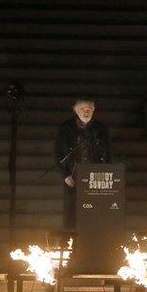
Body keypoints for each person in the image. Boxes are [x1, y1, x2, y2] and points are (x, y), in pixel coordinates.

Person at [55, 96, 112, 229]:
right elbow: (58, 153)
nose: (86, 112)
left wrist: (108, 173)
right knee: (72, 210)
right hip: (74, 176)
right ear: (75, 110)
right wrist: (65, 175)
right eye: (83, 109)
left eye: (89, 109)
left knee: (96, 210)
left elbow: (108, 153)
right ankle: (72, 239)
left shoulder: (101, 128)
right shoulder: (66, 128)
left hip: (97, 176)